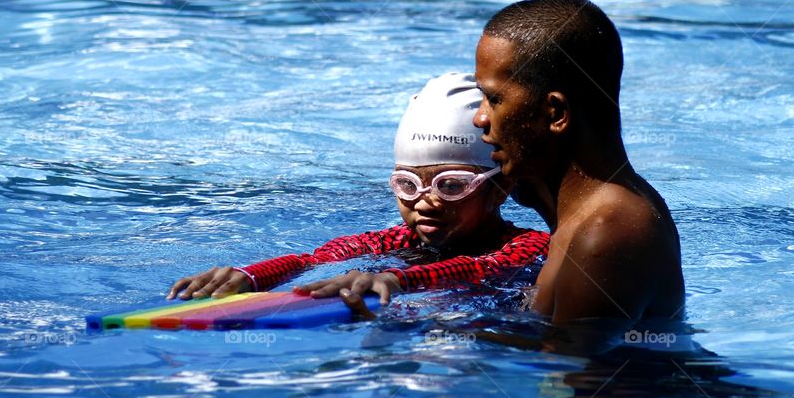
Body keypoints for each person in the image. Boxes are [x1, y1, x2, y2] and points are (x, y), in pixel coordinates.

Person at [167, 72, 549, 306]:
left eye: (451, 186)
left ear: (499, 189)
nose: (425, 202)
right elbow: (310, 261)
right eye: (408, 184)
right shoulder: (394, 243)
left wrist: (398, 279)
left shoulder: (532, 247)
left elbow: (484, 267)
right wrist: (249, 276)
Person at [472, 0, 684, 323]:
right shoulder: (580, 209)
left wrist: (421, 332)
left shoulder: (608, 232)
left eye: (494, 99)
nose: (480, 119)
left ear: (555, 113)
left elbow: (568, 371)